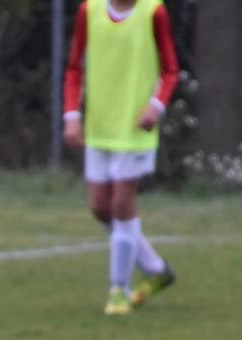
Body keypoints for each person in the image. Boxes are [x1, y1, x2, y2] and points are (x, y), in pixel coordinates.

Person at [62, 0, 180, 315]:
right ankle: (155, 269)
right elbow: (74, 67)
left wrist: (156, 105)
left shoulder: (153, 11)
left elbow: (170, 70)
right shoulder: (90, 10)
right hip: (100, 127)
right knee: (100, 207)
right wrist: (72, 115)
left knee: (121, 203)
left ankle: (119, 290)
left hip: (135, 130)